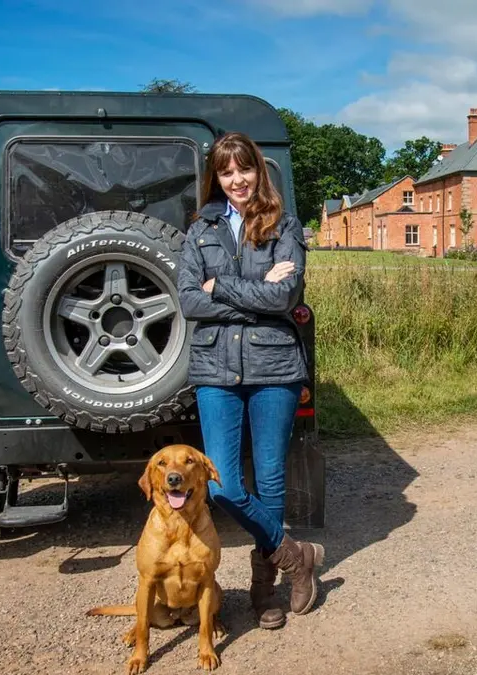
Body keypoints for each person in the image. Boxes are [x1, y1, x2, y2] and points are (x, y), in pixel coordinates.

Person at [176, 131, 323, 630]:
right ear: (215, 178)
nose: (237, 180)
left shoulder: (285, 224)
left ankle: (265, 590)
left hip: (274, 366)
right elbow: (188, 300)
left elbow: (284, 298)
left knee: (271, 478)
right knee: (221, 485)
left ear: (259, 170)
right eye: (226, 171)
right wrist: (256, 289)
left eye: (244, 168)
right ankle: (295, 556)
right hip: (215, 367)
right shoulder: (200, 230)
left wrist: (220, 286)